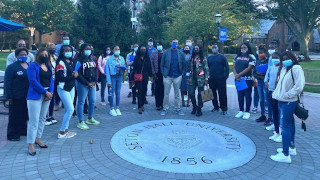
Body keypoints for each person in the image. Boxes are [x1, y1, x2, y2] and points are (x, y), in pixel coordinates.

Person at [270, 51, 305, 163]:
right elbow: (280, 84)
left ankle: (285, 155)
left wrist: (287, 95)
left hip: (288, 101)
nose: (284, 60)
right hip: (282, 100)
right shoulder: (285, 68)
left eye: (286, 58)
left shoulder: (296, 69)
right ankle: (291, 147)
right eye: (283, 59)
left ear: (292, 58)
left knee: (284, 127)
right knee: (289, 124)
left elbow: (299, 86)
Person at [26, 49, 54, 156]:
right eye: (42, 54)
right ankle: (30, 143)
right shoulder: (32, 66)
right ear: (37, 55)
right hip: (35, 95)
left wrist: (50, 92)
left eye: (46, 55)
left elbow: (51, 79)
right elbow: (33, 81)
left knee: (42, 118)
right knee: (34, 120)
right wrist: (45, 92)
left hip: (47, 95)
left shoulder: (48, 66)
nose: (44, 56)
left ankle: (38, 138)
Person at [4, 48, 29, 141]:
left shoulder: (29, 65)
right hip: (16, 96)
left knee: (24, 115)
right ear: (16, 56)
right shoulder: (12, 67)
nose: (23, 56)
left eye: (25, 54)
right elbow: (7, 82)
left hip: (27, 96)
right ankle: (13, 134)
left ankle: (22, 131)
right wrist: (9, 96)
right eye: (21, 55)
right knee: (15, 116)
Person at [75, 43, 100, 130]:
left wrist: (94, 81)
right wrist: (86, 83)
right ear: (82, 50)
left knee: (92, 101)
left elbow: (95, 70)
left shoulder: (92, 59)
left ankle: (90, 118)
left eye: (89, 49)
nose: (88, 50)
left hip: (92, 83)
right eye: (86, 49)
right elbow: (78, 74)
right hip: (83, 84)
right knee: (81, 102)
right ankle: (81, 121)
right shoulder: (79, 60)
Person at [55, 45, 78, 138]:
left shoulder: (72, 62)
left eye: (70, 50)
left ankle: (66, 130)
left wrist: (75, 75)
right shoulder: (60, 63)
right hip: (63, 88)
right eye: (66, 50)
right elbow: (60, 78)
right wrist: (73, 76)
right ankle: (61, 132)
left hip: (71, 87)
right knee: (71, 109)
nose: (68, 52)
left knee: (67, 110)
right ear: (62, 52)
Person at [160, 39, 186, 116]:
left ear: (178, 44)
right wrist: (163, 73)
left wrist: (182, 74)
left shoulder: (180, 53)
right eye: (174, 42)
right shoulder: (166, 52)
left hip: (177, 76)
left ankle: (177, 108)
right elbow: (162, 64)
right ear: (171, 43)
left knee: (177, 93)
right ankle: (165, 108)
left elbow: (184, 64)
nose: (175, 44)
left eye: (176, 43)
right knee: (166, 93)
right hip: (167, 76)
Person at [233, 42, 256, 120]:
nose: (243, 49)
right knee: (240, 96)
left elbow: (249, 68)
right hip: (238, 79)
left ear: (248, 48)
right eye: (242, 47)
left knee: (247, 95)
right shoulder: (237, 56)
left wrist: (239, 75)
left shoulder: (251, 56)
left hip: (247, 79)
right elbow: (233, 66)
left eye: (244, 47)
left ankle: (247, 112)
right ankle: (241, 110)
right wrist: (236, 75)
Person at [187, 45, 209, 116]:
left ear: (199, 49)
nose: (195, 49)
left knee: (200, 94)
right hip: (192, 78)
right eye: (194, 48)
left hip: (201, 79)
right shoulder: (191, 58)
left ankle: (199, 109)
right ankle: (194, 107)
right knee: (191, 93)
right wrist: (187, 77)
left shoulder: (203, 58)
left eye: (197, 48)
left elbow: (206, 69)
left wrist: (206, 79)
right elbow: (188, 68)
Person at [265, 52, 282, 143]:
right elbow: (267, 76)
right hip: (270, 91)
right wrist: (266, 82)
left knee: (278, 111)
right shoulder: (271, 67)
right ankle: (276, 130)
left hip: (278, 92)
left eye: (277, 57)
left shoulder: (282, 68)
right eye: (273, 57)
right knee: (274, 110)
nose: (275, 59)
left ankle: (280, 130)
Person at [207, 44, 229, 115]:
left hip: (221, 79)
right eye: (213, 47)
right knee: (212, 94)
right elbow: (206, 68)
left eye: (215, 47)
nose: (214, 49)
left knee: (222, 94)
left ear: (218, 48)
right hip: (211, 79)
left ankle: (224, 108)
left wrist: (225, 76)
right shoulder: (209, 58)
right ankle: (215, 107)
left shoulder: (222, 57)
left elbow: (227, 67)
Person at [105, 45, 126, 116]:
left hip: (119, 76)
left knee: (118, 92)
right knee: (111, 92)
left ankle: (117, 107)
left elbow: (124, 69)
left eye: (118, 49)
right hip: (112, 77)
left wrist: (123, 70)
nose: (117, 50)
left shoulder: (122, 58)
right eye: (116, 49)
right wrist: (108, 81)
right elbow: (107, 71)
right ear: (113, 51)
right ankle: (111, 108)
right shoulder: (109, 59)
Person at [133, 45, 152, 114]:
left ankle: (142, 104)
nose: (143, 50)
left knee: (144, 91)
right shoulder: (136, 58)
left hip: (145, 77)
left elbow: (150, 68)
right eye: (142, 49)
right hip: (138, 77)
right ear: (139, 50)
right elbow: (134, 68)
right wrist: (133, 78)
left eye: (144, 49)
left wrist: (152, 76)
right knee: (140, 91)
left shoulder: (147, 58)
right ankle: (139, 107)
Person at [253, 46, 270, 123]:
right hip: (259, 82)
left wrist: (263, 75)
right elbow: (254, 72)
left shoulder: (269, 61)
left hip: (265, 82)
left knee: (267, 99)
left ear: (265, 53)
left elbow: (270, 72)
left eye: (261, 53)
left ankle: (269, 116)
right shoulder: (258, 61)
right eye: (259, 53)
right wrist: (258, 75)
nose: (260, 54)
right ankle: (263, 115)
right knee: (261, 99)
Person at [45, 43, 58, 125]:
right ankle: (45, 117)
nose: (53, 49)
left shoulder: (55, 57)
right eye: (51, 48)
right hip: (47, 80)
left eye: (54, 48)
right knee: (47, 99)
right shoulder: (45, 58)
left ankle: (50, 115)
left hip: (54, 80)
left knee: (52, 99)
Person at [151, 41, 165, 110]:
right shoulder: (154, 53)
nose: (158, 46)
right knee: (157, 89)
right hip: (157, 73)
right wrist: (153, 73)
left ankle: (162, 104)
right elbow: (152, 64)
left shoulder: (165, 53)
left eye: (159, 45)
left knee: (163, 89)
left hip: (164, 73)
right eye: (157, 45)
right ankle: (158, 104)